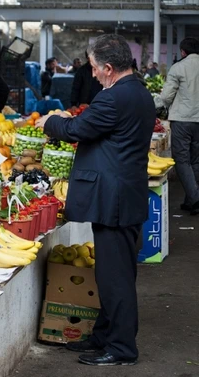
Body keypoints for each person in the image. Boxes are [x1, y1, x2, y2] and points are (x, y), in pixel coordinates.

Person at [35, 34, 154, 366]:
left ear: (109, 68)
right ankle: (104, 335)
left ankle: (122, 348)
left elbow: (78, 129)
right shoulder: (138, 92)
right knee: (114, 273)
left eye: (94, 68)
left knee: (115, 278)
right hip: (125, 195)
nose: (93, 74)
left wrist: (50, 123)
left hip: (114, 200)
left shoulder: (114, 99)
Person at [160, 37, 199, 214]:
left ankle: (195, 198)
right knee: (196, 160)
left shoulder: (178, 67)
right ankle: (190, 199)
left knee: (182, 161)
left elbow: (166, 97)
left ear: (183, 52)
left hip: (183, 121)